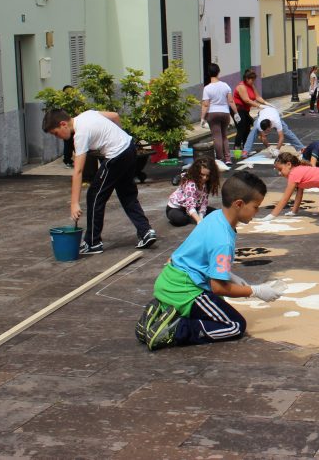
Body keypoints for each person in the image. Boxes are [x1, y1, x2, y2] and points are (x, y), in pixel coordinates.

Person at [136, 172, 285, 350]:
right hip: (185, 291)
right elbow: (218, 287)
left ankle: (161, 312)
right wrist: (255, 291)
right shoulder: (223, 239)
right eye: (255, 207)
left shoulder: (214, 217)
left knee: (217, 305)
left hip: (169, 282)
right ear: (239, 204)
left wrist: (229, 275)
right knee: (235, 325)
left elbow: (197, 255)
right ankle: (176, 330)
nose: (257, 212)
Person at [42, 108, 157, 254]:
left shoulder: (80, 135)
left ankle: (93, 242)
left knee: (94, 196)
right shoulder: (87, 114)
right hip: (129, 147)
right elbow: (115, 116)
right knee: (127, 194)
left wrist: (74, 203)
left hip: (116, 156)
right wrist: (119, 137)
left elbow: (78, 171)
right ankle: (146, 231)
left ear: (63, 124)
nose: (57, 137)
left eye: (55, 133)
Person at [269, 151, 319, 220]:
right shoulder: (299, 170)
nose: (280, 173)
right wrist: (294, 211)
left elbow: (285, 198)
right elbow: (299, 194)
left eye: (280, 169)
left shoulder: (293, 174)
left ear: (289, 164)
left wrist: (272, 215)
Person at [166, 156, 220, 226]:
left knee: (215, 213)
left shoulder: (206, 184)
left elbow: (204, 203)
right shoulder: (190, 184)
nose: (204, 178)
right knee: (180, 219)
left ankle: (192, 215)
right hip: (176, 208)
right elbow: (190, 205)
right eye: (202, 175)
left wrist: (201, 217)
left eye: (207, 176)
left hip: (195, 206)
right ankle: (191, 216)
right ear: (196, 172)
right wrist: (199, 221)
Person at [201, 63, 236, 166]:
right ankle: (228, 158)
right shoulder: (225, 86)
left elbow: (205, 104)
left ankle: (220, 159)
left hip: (213, 113)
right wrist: (236, 113)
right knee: (224, 135)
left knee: (217, 137)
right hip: (225, 113)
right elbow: (231, 101)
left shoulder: (207, 88)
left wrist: (202, 118)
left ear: (208, 74)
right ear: (218, 72)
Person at [233, 70, 268, 150]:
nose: (253, 81)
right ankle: (237, 148)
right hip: (238, 110)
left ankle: (245, 148)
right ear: (246, 79)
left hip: (245, 110)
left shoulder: (251, 86)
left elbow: (258, 97)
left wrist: (266, 103)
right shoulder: (241, 87)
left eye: (254, 80)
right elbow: (247, 100)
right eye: (252, 80)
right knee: (241, 128)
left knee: (247, 128)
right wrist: (259, 106)